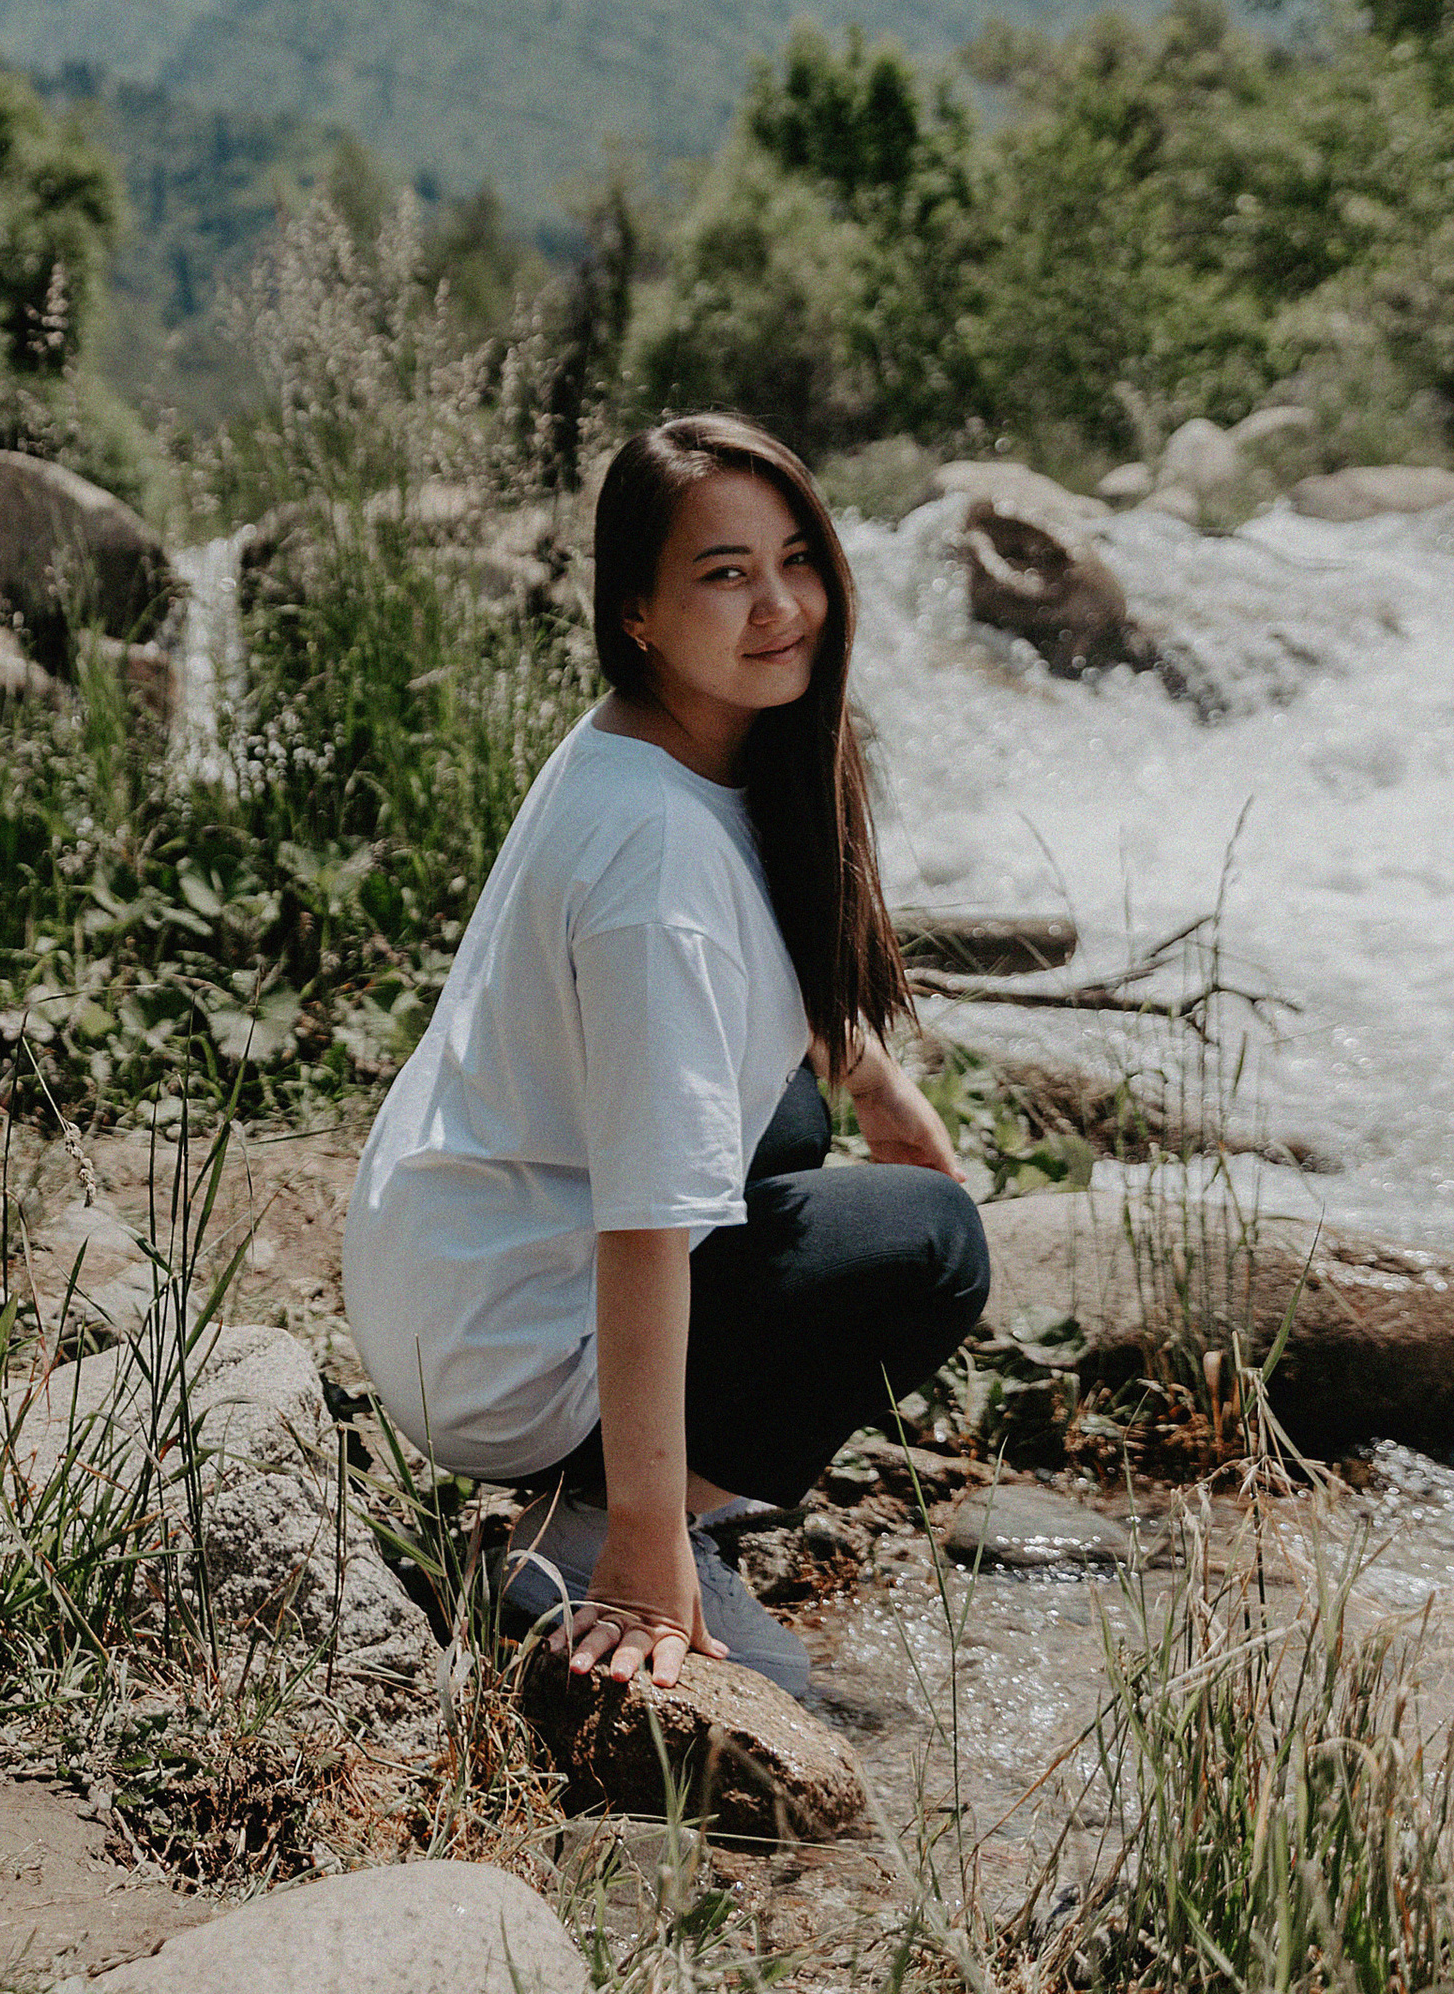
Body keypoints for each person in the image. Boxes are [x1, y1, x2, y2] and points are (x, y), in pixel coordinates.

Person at [343, 412, 988, 1700]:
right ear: (635, 610)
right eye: (723, 573)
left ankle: (622, 1486)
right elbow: (645, 1218)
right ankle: (588, 1524)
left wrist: (870, 1079)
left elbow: (753, 961)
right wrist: (644, 1556)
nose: (779, 604)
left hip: (455, 1255)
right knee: (931, 1243)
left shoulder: (657, 741)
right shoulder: (656, 859)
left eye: (794, 558)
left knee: (793, 1128)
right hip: (504, 1345)